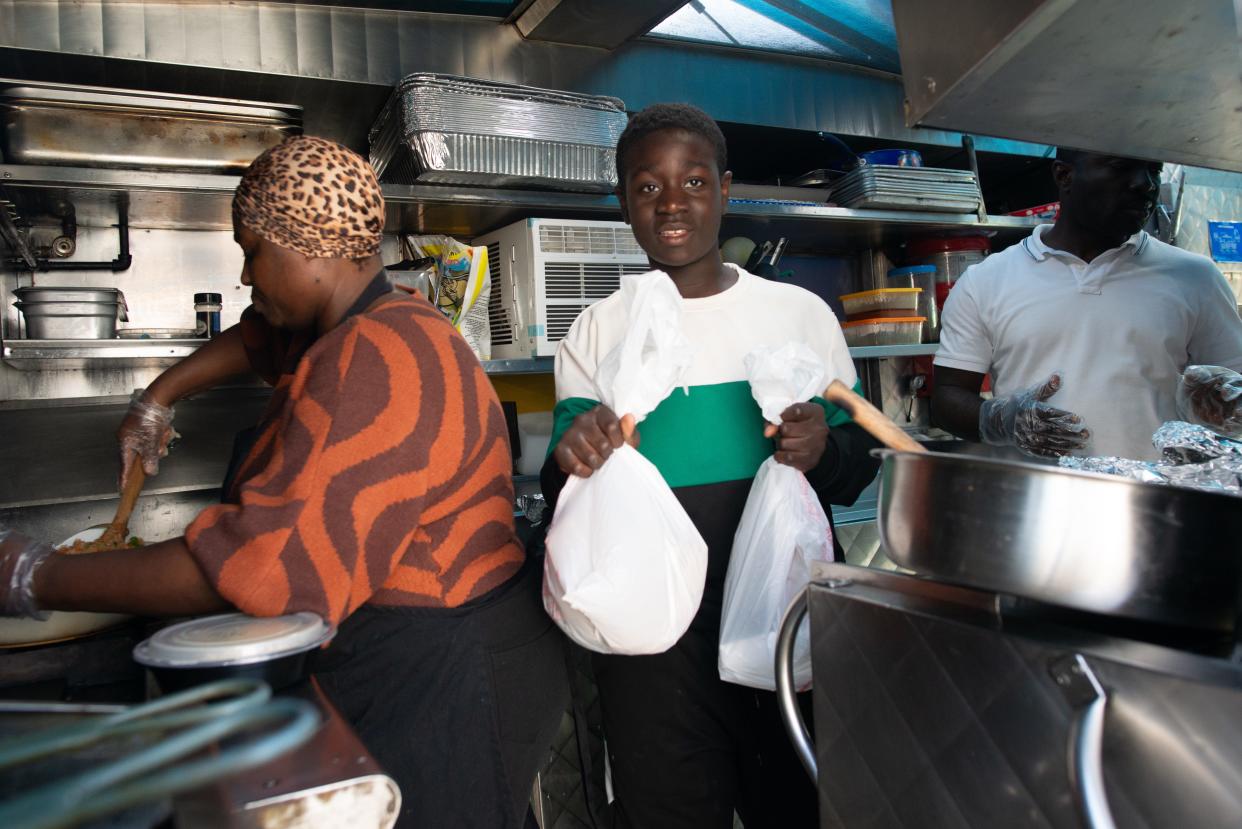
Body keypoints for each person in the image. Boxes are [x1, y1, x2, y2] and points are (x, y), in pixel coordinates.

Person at [0, 136, 568, 829]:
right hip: (432, 654)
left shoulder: (374, 354)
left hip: (448, 674)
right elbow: (257, 339)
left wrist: (36, 575)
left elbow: (265, 568)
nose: (246, 276)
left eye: (252, 251)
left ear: (313, 247)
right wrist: (159, 396)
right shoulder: (362, 322)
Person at [540, 103, 880, 828]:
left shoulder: (797, 315)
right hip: (652, 634)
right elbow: (559, 479)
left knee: (794, 796)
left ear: (725, 188)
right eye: (647, 186)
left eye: (693, 181)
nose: (671, 202)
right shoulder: (599, 329)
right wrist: (574, 453)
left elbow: (859, 465)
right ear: (623, 198)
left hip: (777, 606)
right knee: (667, 803)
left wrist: (826, 448)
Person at [932, 147, 1242, 460]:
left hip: (1157, 501)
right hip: (1033, 501)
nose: (1144, 183)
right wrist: (1001, 421)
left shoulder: (1195, 277)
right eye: (1120, 165)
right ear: (1064, 175)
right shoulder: (985, 281)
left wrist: (1215, 408)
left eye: (1154, 169)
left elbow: (1234, 395)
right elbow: (947, 397)